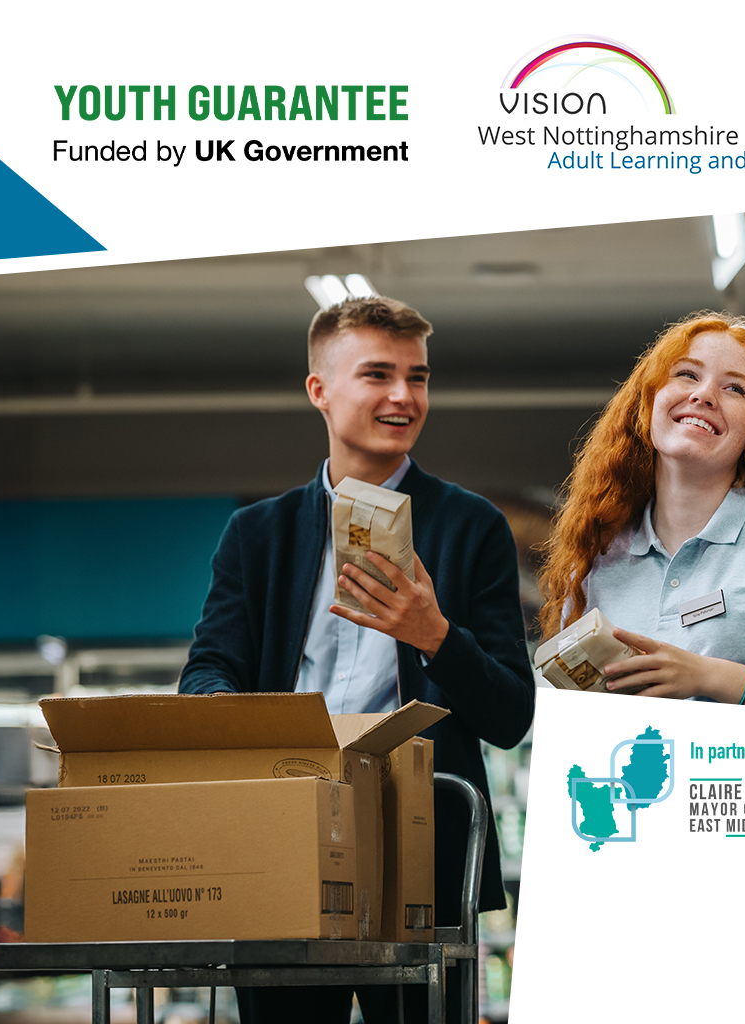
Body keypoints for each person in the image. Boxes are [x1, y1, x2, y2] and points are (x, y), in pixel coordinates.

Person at [178, 296, 535, 1024]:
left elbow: (510, 714)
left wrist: (436, 634)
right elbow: (209, 666)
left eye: (418, 377)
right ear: (320, 390)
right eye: (378, 374)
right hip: (280, 840)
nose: (404, 396)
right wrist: (223, 711)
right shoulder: (258, 534)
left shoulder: (473, 528)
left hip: (422, 849)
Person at [537, 311, 745, 714]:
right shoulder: (597, 555)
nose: (703, 395)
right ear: (648, 406)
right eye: (686, 374)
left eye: (735, 388)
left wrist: (711, 677)